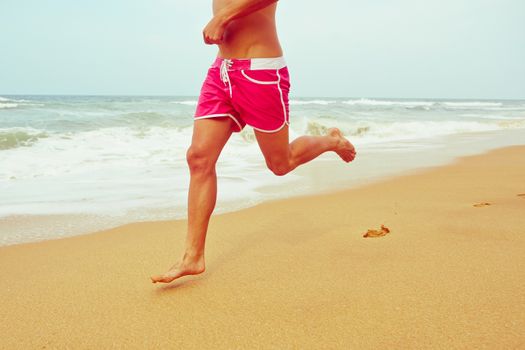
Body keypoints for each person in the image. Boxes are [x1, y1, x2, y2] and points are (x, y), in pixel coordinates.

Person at [151, 0, 356, 283]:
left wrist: (223, 16)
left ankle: (331, 141)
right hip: (221, 72)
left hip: (260, 72)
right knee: (198, 157)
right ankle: (193, 257)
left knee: (280, 164)